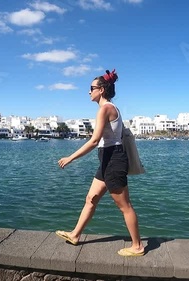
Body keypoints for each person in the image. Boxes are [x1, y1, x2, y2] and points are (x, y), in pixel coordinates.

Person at [56, 69, 145, 257]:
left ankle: (137, 246)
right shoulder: (110, 109)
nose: (89, 92)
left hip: (113, 160)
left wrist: (70, 158)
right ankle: (75, 235)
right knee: (91, 199)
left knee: (125, 206)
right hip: (107, 160)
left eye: (91, 88)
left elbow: (95, 141)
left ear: (101, 90)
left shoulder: (106, 109)